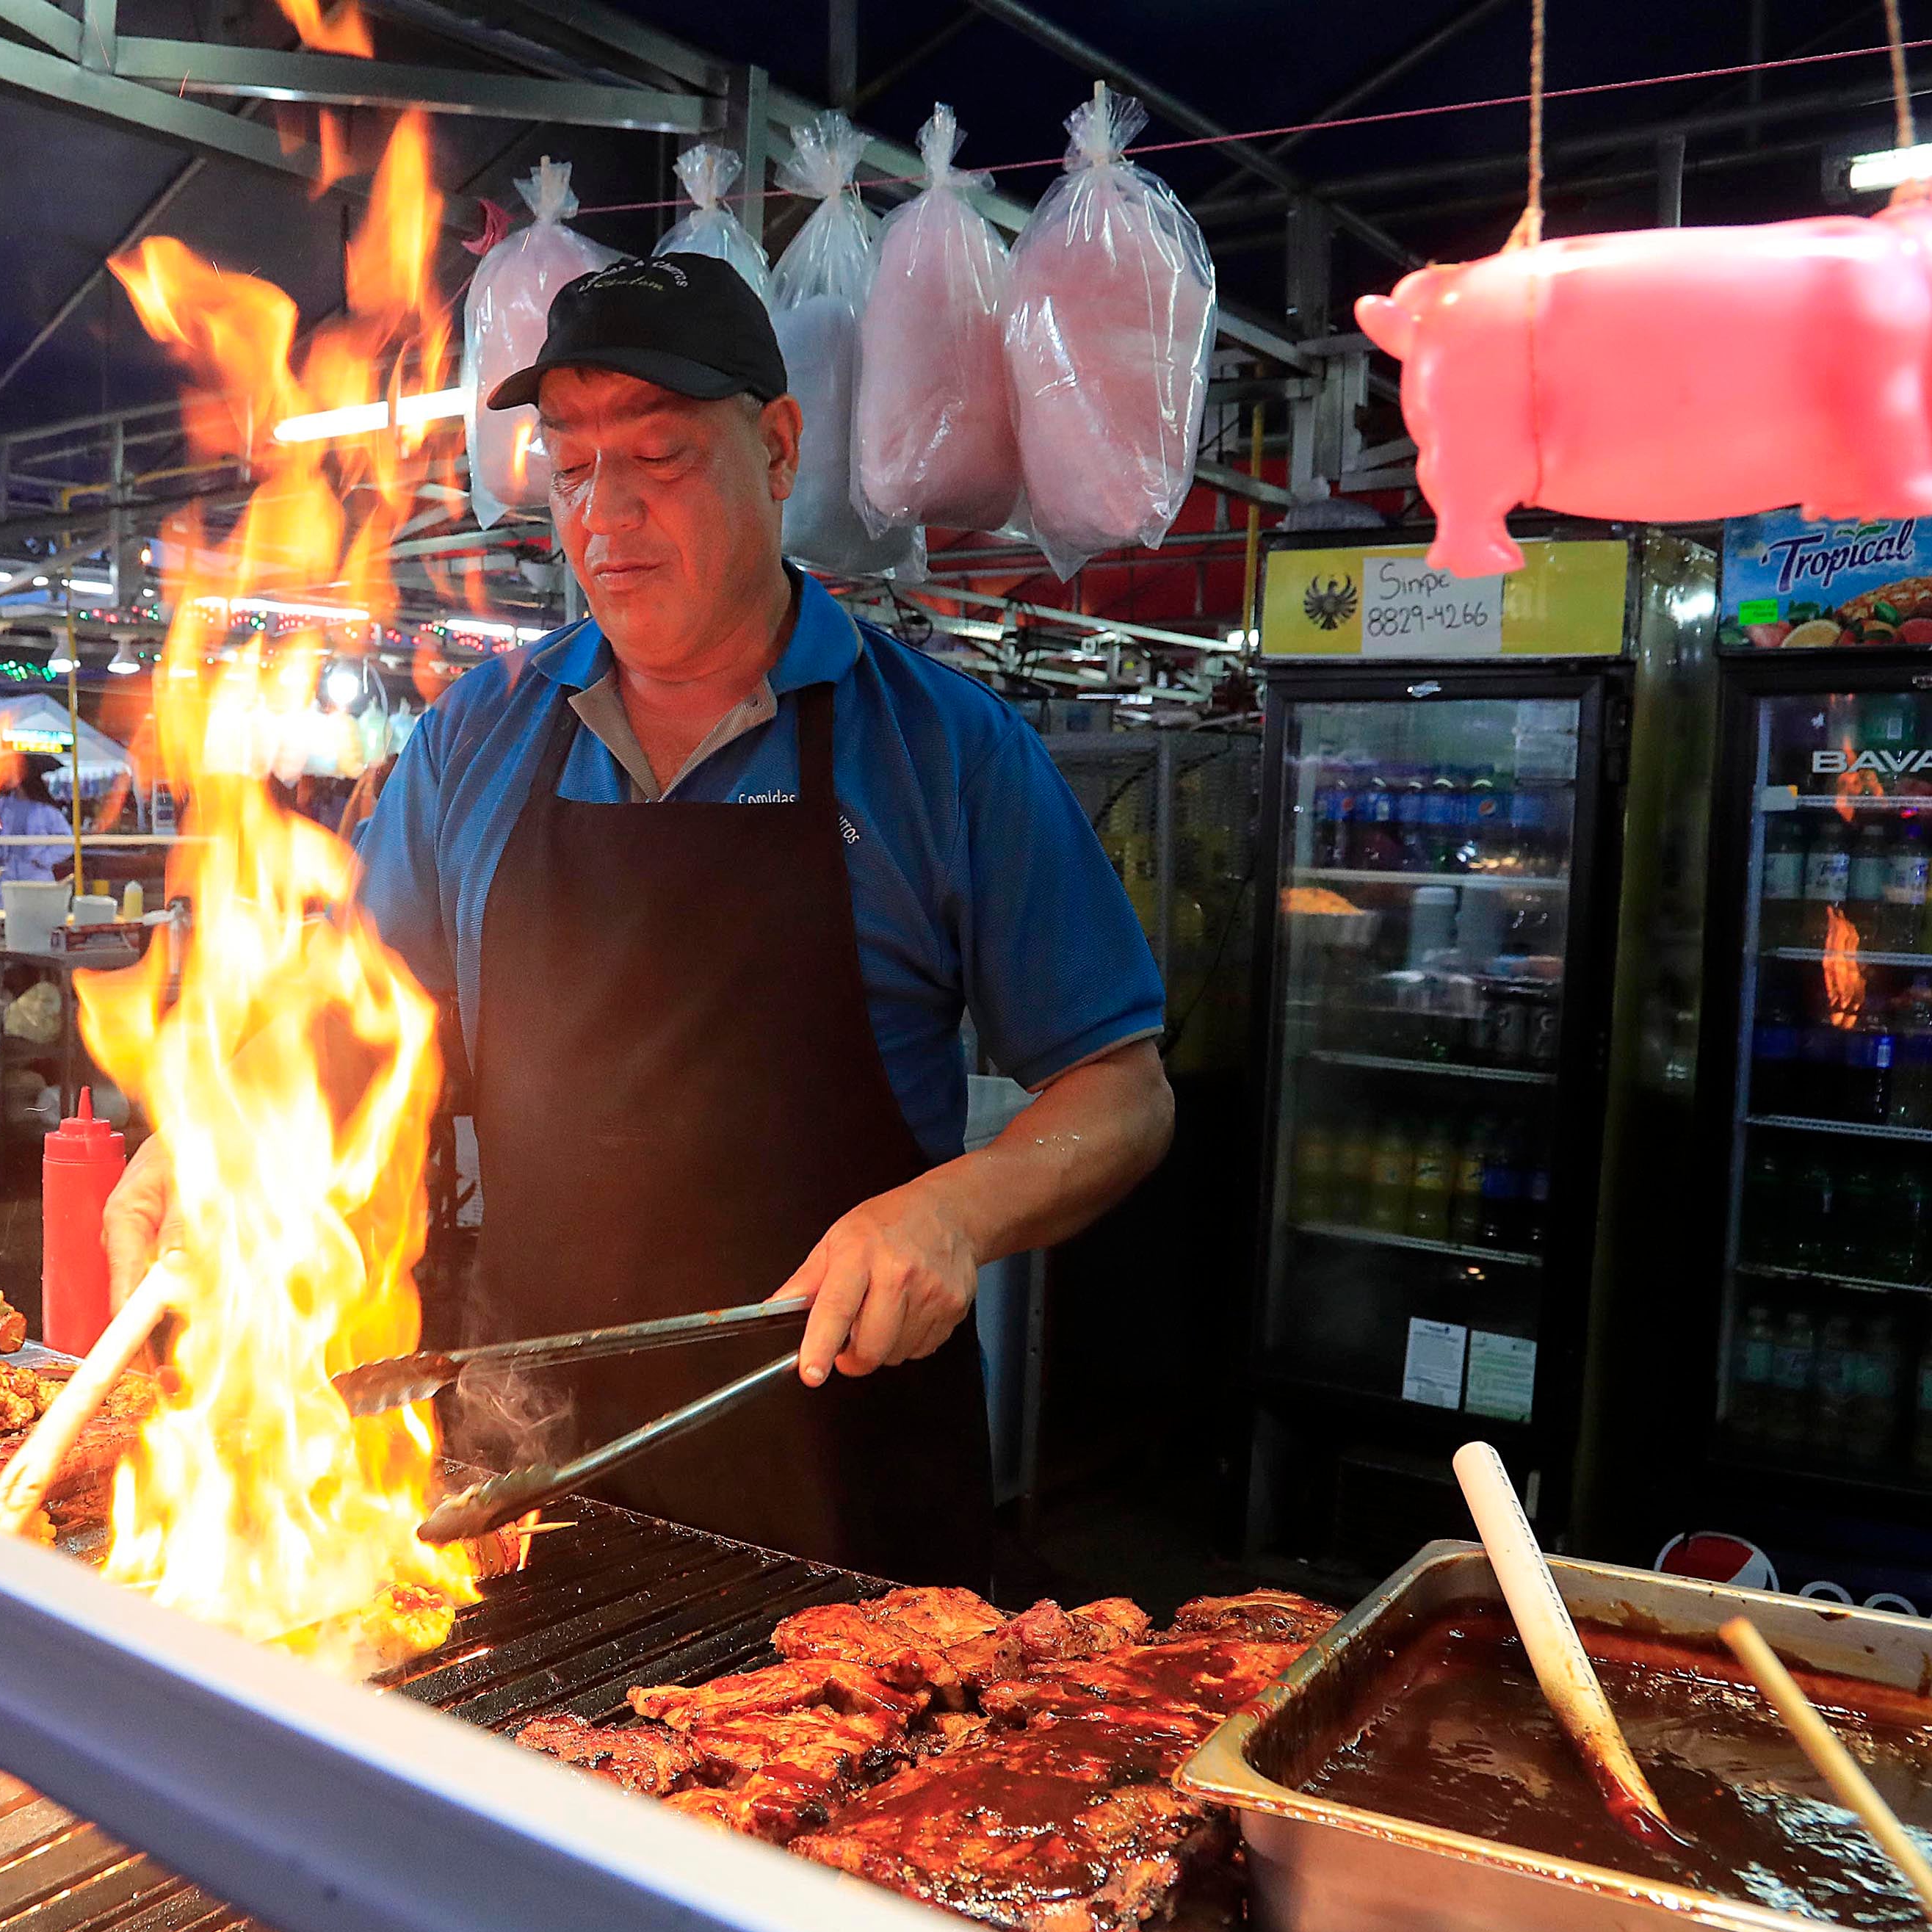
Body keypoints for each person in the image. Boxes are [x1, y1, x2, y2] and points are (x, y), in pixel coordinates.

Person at [104, 256, 1175, 1584]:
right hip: (533, 1464)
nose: (604, 517)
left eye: (658, 457)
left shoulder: (943, 750)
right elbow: (355, 1025)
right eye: (570, 468)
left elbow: (1120, 1089)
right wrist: (221, 1139)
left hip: (851, 1489)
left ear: (777, 450)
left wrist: (953, 1212)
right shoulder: (477, 740)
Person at [0, 753, 73, 884]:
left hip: (36, 877)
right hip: (6, 877)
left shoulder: (46, 810)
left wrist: (42, 859)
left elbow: (66, 842)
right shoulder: (2, 805)